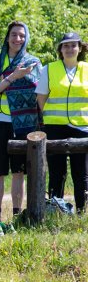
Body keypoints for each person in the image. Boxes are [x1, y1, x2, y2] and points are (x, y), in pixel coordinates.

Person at [36, 31, 88, 213]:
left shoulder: (87, 69)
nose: (69, 49)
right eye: (65, 45)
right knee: (57, 173)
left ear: (80, 48)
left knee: (81, 174)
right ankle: (56, 211)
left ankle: (82, 211)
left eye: (73, 45)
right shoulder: (49, 69)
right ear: (60, 49)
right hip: (55, 127)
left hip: (81, 127)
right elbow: (41, 98)